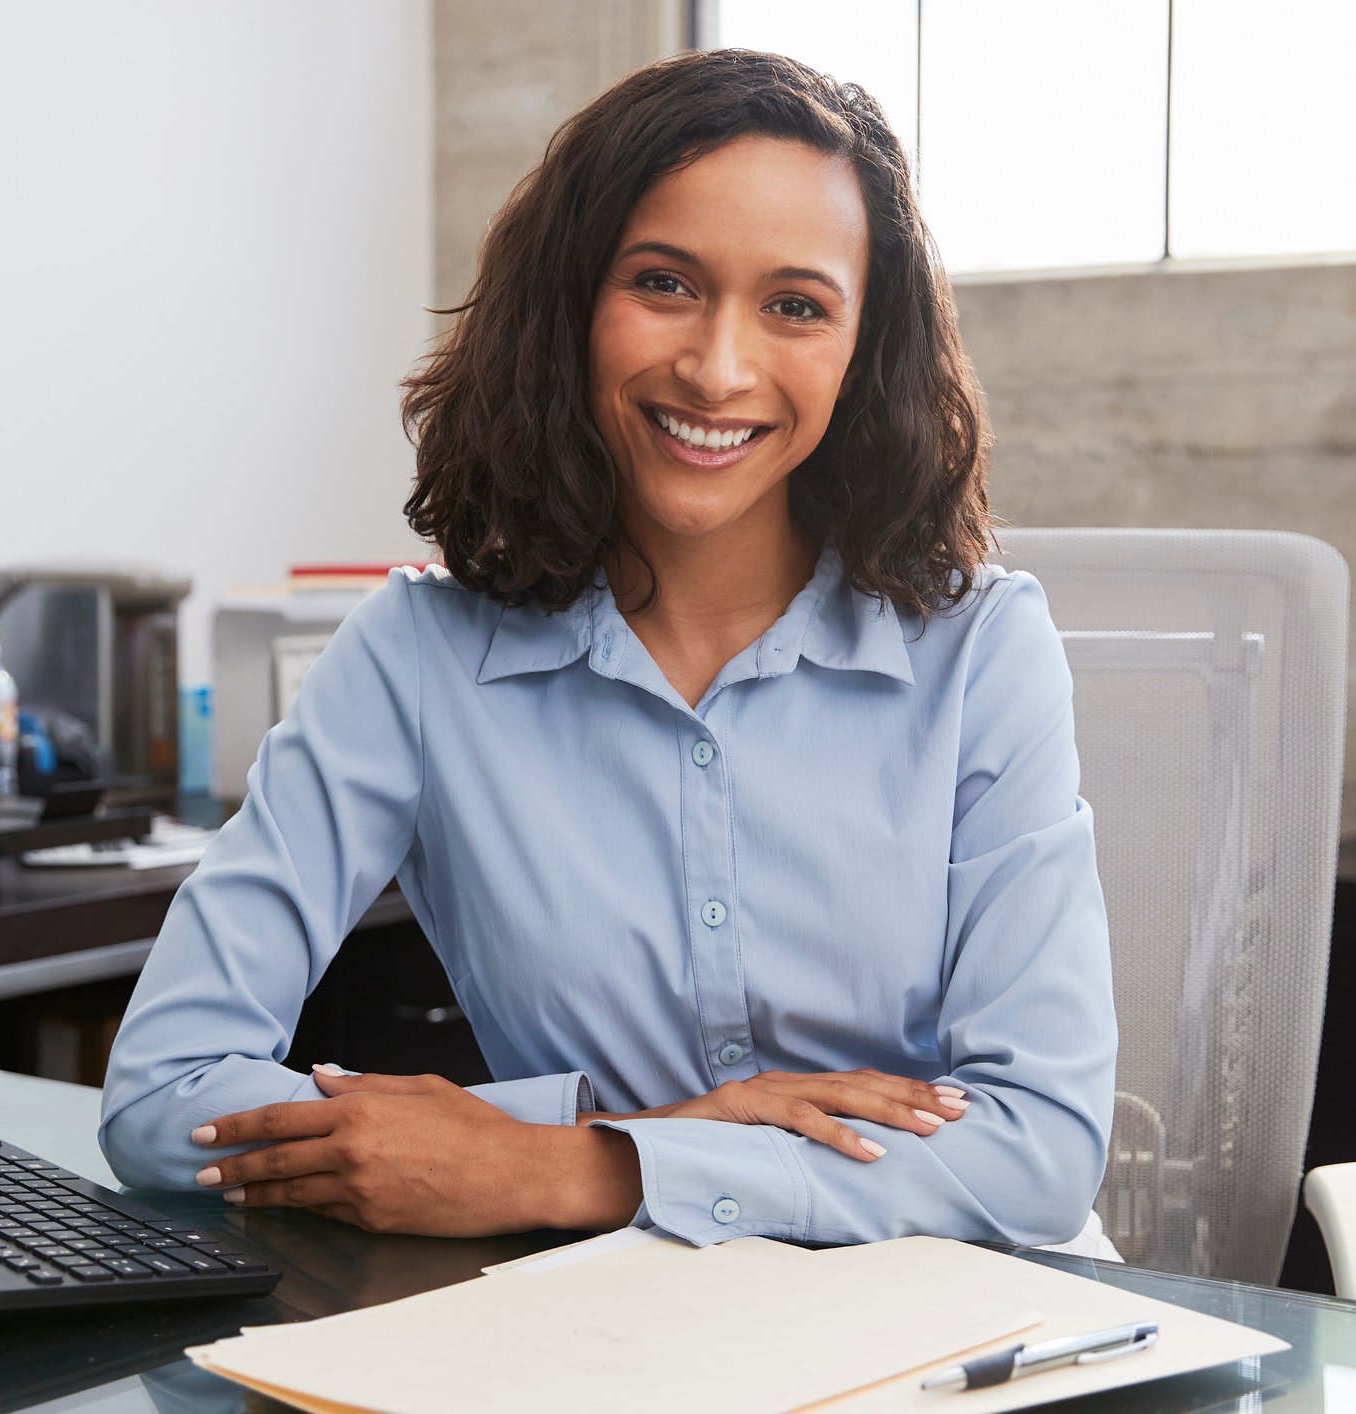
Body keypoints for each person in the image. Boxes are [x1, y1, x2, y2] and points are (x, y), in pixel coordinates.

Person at [98, 49, 1116, 1251]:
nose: (719, 367)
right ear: (570, 302)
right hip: (617, 1337)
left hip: (973, 1330)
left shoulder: (981, 649)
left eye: (797, 305)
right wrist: (667, 1135)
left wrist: (586, 1164)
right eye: (665, 282)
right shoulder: (418, 655)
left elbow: (1040, 1153)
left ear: (862, 349)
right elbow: (162, 1097)